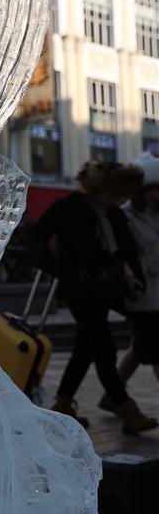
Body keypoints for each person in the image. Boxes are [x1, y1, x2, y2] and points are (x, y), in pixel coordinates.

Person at [27, 160, 158, 434]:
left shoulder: (112, 215)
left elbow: (124, 253)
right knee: (103, 346)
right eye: (113, 192)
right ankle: (126, 408)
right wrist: (58, 269)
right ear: (99, 188)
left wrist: (130, 279)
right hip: (80, 289)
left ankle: (63, 404)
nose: (117, 198)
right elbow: (36, 238)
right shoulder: (69, 208)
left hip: (104, 290)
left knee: (88, 346)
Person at [105, 153, 159, 400]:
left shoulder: (154, 214)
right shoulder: (126, 216)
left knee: (143, 346)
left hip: (155, 289)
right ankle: (114, 395)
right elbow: (125, 254)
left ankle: (113, 395)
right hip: (142, 290)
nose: (153, 195)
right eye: (149, 190)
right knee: (146, 346)